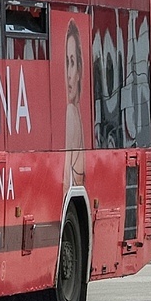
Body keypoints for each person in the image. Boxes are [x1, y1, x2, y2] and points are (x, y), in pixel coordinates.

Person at [63, 19, 86, 188]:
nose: (69, 74)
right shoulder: (77, 115)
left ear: (79, 69)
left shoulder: (71, 113)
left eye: (72, 62)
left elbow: (65, 185)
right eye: (66, 62)